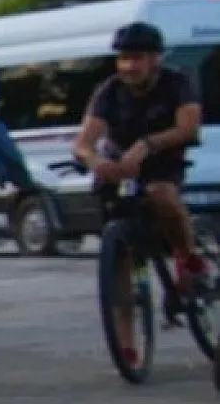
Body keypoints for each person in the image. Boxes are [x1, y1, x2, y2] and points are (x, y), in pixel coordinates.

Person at [72, 21, 207, 313]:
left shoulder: (177, 84)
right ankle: (128, 346)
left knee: (161, 192)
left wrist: (147, 145)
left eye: (136, 58)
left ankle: (187, 258)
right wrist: (95, 161)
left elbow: (189, 129)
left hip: (163, 160)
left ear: (155, 59)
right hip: (121, 166)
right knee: (116, 240)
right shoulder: (108, 91)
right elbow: (84, 142)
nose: (128, 66)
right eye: (123, 59)